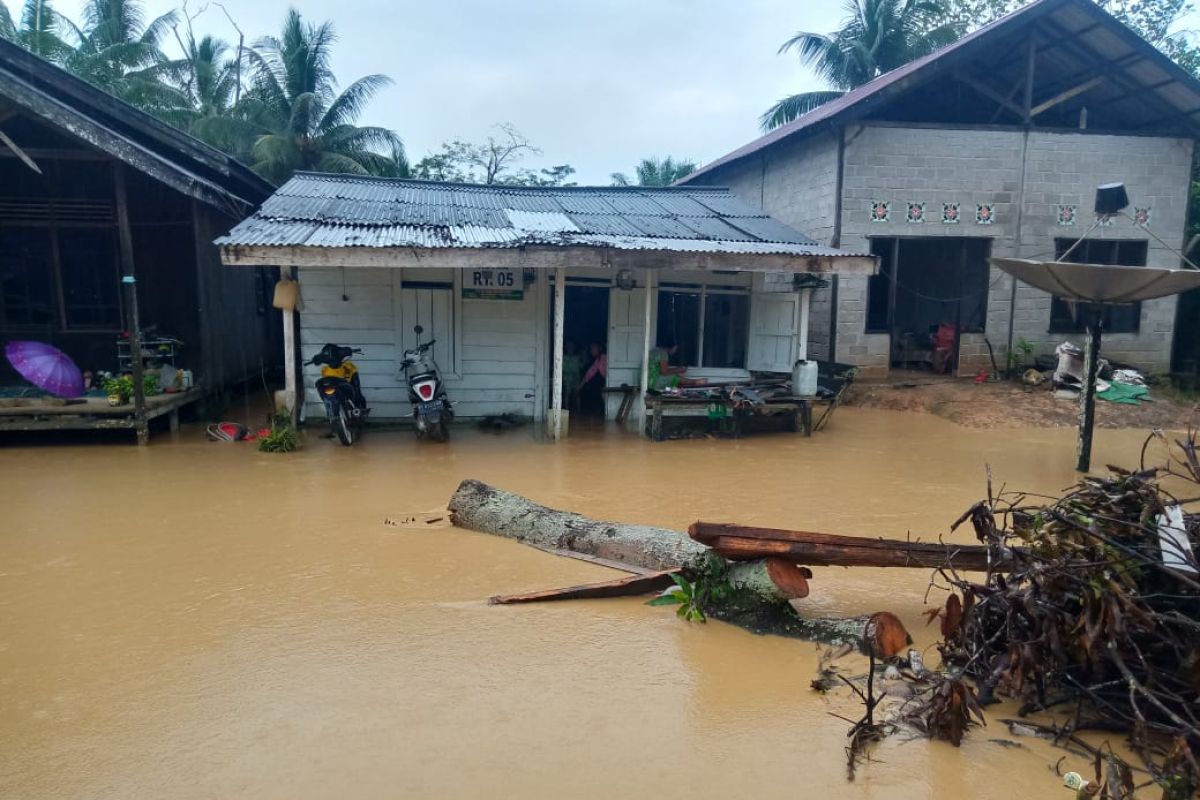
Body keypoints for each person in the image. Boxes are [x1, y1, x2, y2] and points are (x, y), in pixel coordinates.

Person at [579, 342, 607, 414]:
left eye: (594, 348)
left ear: (600, 349)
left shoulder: (605, 357)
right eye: (591, 349)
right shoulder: (598, 360)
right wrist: (582, 383)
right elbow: (591, 372)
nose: (592, 350)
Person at [562, 340, 583, 412]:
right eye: (568, 346)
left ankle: (578, 411)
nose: (570, 348)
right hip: (567, 377)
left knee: (577, 394)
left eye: (571, 346)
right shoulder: (563, 357)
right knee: (567, 394)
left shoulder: (577, 357)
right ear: (566, 347)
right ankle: (566, 410)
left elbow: (582, 366)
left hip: (576, 377)